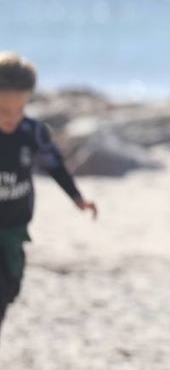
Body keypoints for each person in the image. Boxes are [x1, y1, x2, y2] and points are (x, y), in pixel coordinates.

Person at [0, 52, 98, 354]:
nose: (12, 117)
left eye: (19, 109)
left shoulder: (34, 133)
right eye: (3, 110)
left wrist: (77, 198)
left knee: (10, 288)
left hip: (15, 227)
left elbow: (55, 166)